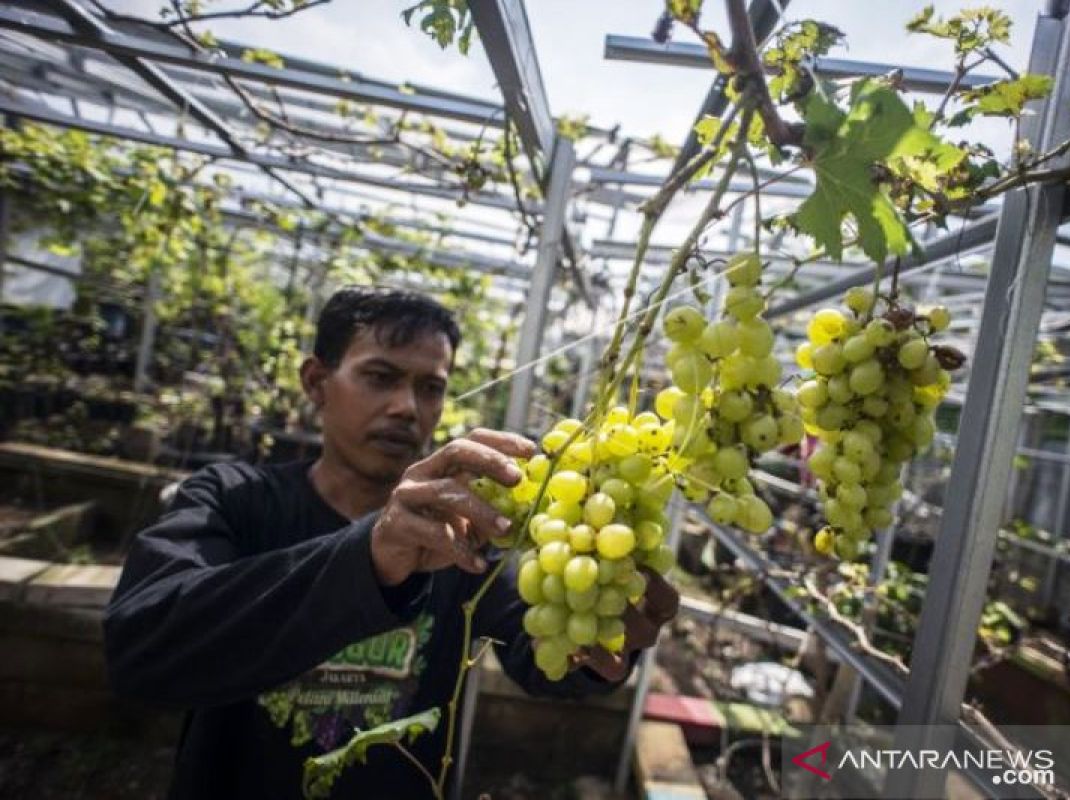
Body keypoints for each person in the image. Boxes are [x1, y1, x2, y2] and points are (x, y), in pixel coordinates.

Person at [104, 286, 679, 799]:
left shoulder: (459, 526)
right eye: (381, 377)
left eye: (431, 388)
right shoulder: (236, 499)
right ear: (315, 382)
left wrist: (605, 642)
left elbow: (541, 656)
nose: (408, 407)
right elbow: (143, 649)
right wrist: (367, 557)